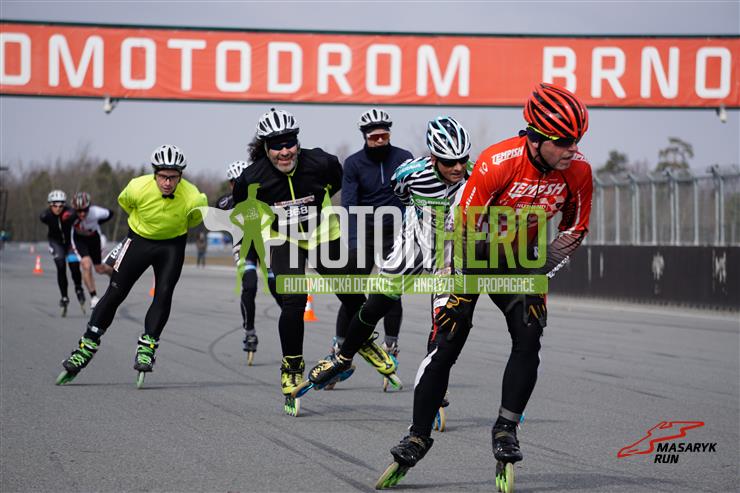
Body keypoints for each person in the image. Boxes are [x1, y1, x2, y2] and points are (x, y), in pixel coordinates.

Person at [376, 82, 593, 489]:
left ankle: (506, 429)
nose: (573, 149)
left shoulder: (578, 171)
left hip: (520, 259)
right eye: (564, 141)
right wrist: (458, 286)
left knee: (530, 334)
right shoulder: (498, 161)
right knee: (448, 339)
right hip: (469, 251)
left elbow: (574, 229)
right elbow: (462, 226)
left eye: (577, 140)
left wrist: (539, 270)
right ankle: (417, 435)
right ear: (537, 137)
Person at [305, 116, 472, 394]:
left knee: (444, 317)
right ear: (433, 158)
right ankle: (342, 356)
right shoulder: (410, 172)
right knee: (375, 303)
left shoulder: (476, 174)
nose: (457, 167)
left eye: (462, 160)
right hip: (412, 241)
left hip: (448, 249)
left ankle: (432, 381)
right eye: (449, 161)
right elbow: (401, 195)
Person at [232, 108, 367, 415]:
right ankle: (292, 365)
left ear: (298, 142)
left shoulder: (322, 162)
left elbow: (336, 182)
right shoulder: (252, 177)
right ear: (266, 147)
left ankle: (357, 343)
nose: (284, 151)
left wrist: (314, 203)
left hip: (321, 234)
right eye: (276, 146)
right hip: (284, 239)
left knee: (352, 293)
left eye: (289, 143)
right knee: (294, 299)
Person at [55, 145, 208, 388]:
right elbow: (126, 205)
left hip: (172, 246)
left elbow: (194, 220)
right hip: (139, 241)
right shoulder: (137, 187)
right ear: (154, 173)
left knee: (164, 293)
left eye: (173, 177)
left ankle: (148, 346)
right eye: (162, 176)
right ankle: (87, 345)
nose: (167, 183)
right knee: (116, 292)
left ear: (181, 176)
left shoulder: (194, 197)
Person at [332, 108, 413, 371]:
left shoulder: (404, 158)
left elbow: (414, 197)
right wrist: (353, 243)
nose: (379, 141)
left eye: (383, 136)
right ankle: (340, 346)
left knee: (392, 292)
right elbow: (349, 205)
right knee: (352, 290)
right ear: (365, 137)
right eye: (374, 137)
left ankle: (391, 345)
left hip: (396, 233)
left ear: (389, 134)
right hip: (366, 234)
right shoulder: (353, 163)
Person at [216, 160, 281, 364]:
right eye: (235, 182)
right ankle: (249, 331)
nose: (240, 185)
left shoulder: (264, 195)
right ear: (231, 184)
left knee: (275, 285)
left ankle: (291, 317)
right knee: (250, 285)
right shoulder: (226, 201)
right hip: (244, 247)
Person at [39, 190, 84, 316]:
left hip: (70, 244)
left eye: (61, 205)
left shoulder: (70, 212)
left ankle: (78, 288)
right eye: (54, 205)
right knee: (61, 267)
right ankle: (64, 296)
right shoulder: (45, 215)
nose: (58, 208)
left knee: (74, 267)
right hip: (56, 243)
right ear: (50, 205)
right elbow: (43, 217)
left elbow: (78, 215)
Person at [70, 191, 114, 309]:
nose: (82, 213)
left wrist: (98, 222)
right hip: (79, 241)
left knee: (99, 269)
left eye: (85, 210)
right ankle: (94, 297)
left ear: (89, 207)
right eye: (79, 211)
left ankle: (114, 274)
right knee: (86, 265)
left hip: (94, 239)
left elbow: (111, 213)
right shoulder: (70, 216)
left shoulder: (95, 212)